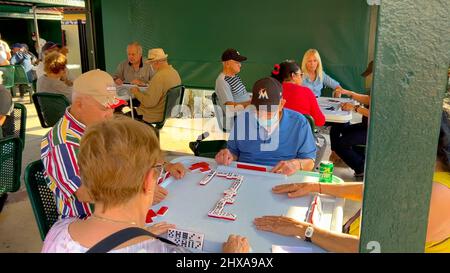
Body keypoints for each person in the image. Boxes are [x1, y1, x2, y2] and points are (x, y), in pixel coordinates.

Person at [41, 117, 250, 253]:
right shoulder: (166, 251)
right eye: (159, 167)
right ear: (150, 180)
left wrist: (138, 234)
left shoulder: (58, 231)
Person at [254, 111, 450, 253]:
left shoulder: (439, 193)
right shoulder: (423, 172)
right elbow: (377, 191)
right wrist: (317, 186)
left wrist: (303, 229)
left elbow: (372, 247)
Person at [41, 69, 185, 220]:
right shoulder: (63, 143)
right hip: (87, 222)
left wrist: (165, 165)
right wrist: (137, 192)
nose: (110, 114)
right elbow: (84, 193)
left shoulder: (101, 124)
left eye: (113, 106)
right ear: (79, 105)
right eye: (104, 107)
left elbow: (136, 151)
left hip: (119, 209)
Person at [215, 77, 317, 175]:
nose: (263, 117)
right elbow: (233, 152)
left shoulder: (299, 123)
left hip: (281, 175)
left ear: (281, 104)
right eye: (258, 111)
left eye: (269, 112)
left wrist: (297, 164)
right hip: (245, 174)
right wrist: (227, 155)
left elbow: (310, 161)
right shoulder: (243, 119)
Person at [329, 61, 372, 179]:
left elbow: (376, 114)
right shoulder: (377, 86)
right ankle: (341, 156)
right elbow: (369, 100)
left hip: (373, 131)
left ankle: (361, 167)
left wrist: (354, 108)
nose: (369, 77)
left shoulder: (385, 89)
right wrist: (350, 93)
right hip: (366, 126)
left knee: (341, 144)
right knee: (339, 128)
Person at [130, 48, 181, 124]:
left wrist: (136, 92)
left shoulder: (159, 76)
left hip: (152, 115)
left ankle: (142, 133)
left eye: (151, 63)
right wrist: (146, 84)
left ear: (156, 62)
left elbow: (149, 102)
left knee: (121, 117)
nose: (151, 66)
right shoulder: (174, 72)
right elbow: (162, 87)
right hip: (166, 112)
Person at [272, 60, 325, 126]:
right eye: (301, 75)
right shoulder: (306, 92)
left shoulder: (271, 91)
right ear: (293, 75)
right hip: (300, 135)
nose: (301, 78)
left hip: (277, 134)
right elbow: (320, 121)